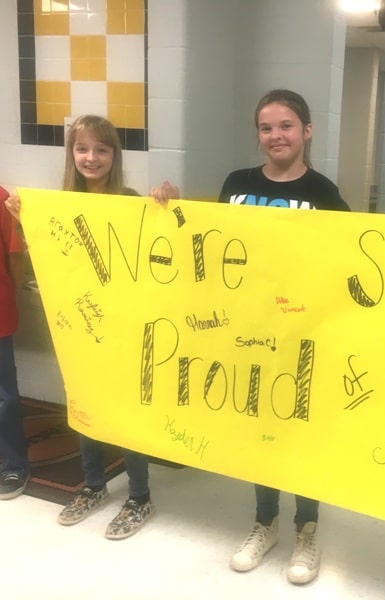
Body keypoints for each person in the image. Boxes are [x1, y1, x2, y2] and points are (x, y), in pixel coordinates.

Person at [5, 115, 178, 538]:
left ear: (114, 156)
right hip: (78, 329)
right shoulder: (58, 204)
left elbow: (164, 248)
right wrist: (25, 219)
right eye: (82, 149)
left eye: (102, 149)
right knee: (84, 407)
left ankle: (139, 496)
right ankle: (94, 484)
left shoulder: (130, 200)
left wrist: (167, 204)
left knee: (124, 411)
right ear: (71, 155)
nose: (91, 157)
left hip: (122, 328)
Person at [219, 89, 350, 584]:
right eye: (267, 127)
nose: (277, 135)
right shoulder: (235, 184)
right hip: (249, 332)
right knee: (262, 430)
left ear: (307, 131)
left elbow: (345, 264)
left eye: (287, 126)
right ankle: (264, 521)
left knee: (300, 431)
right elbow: (213, 248)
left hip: (303, 336)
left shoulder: (325, 194)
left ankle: (307, 529)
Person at [0, 185, 28, 501]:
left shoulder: (2, 199)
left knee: (4, 394)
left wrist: (11, 292)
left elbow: (15, 253)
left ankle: (14, 464)